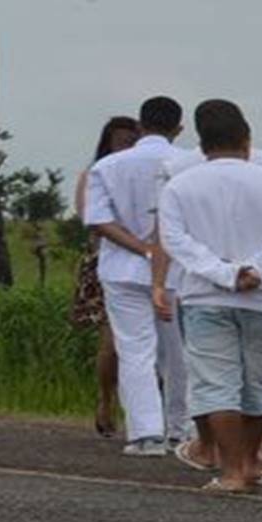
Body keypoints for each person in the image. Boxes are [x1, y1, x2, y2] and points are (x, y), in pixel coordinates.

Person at [158, 99, 262, 492]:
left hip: (206, 295)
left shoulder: (180, 185)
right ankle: (249, 460)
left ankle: (232, 471)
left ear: (203, 144)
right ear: (247, 139)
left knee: (215, 383)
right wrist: (259, 270)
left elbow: (175, 240)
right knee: (255, 383)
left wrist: (225, 273)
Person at [84, 96, 191, 457]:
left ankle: (146, 433)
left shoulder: (109, 166)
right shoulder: (191, 163)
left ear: (141, 126)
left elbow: (98, 220)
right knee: (179, 353)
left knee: (134, 350)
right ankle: (183, 429)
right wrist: (160, 250)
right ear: (179, 128)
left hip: (121, 270)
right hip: (179, 271)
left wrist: (141, 248)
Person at [72, 116, 140, 438]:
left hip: (148, 261)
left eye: (132, 140)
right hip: (107, 261)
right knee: (112, 343)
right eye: (120, 140)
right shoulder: (95, 174)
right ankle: (106, 398)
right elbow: (89, 217)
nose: (126, 146)